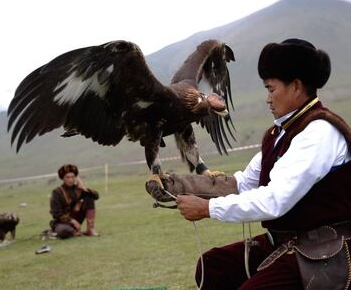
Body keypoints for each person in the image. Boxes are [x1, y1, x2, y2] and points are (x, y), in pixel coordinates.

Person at [146, 38, 351, 289]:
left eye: (271, 89)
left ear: (296, 86)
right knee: (211, 268)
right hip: (287, 242)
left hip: (324, 250)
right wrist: (180, 186)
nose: (267, 99)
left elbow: (274, 200)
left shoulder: (318, 133)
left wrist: (208, 208)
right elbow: (243, 183)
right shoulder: (280, 134)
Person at [50, 164, 99, 238]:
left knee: (89, 195)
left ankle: (90, 229)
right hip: (63, 222)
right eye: (68, 177)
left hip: (77, 217)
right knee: (63, 231)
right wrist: (72, 221)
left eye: (72, 177)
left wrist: (83, 188)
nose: (70, 180)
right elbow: (56, 213)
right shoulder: (57, 192)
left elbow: (96, 196)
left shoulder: (78, 189)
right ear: (63, 178)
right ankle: (72, 231)